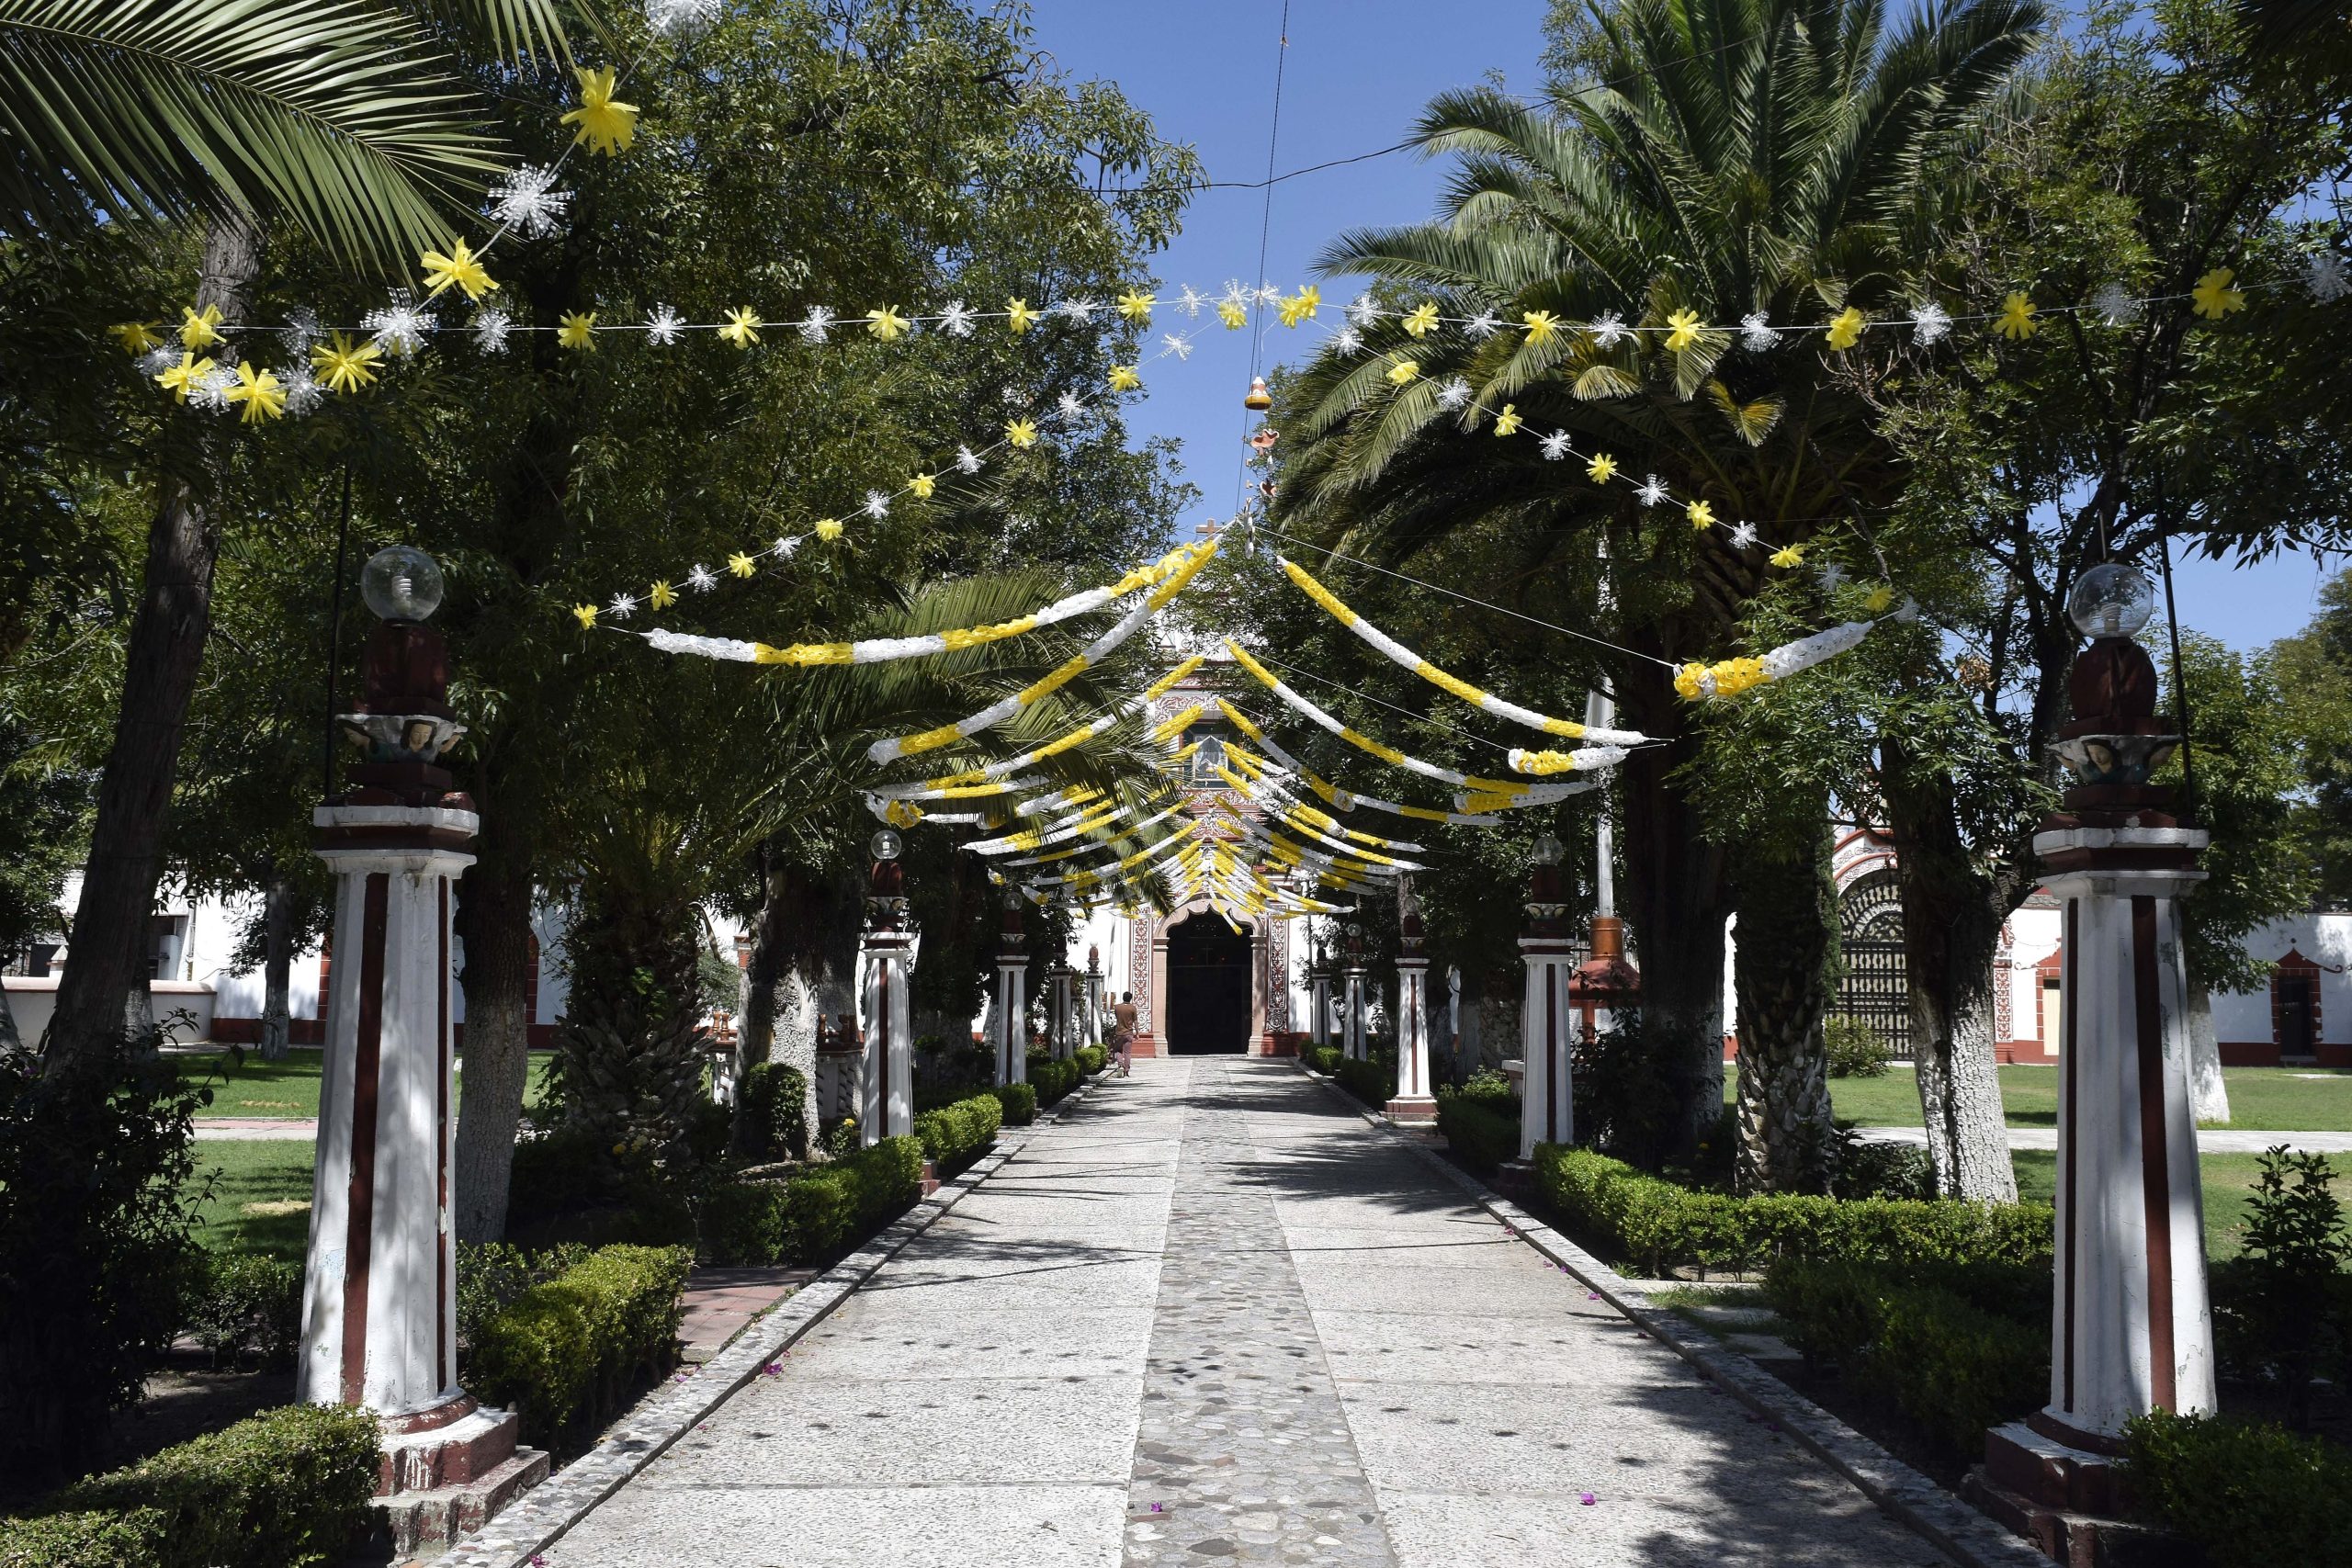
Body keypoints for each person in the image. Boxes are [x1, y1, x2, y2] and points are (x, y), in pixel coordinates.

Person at [1110, 991, 1138, 1077]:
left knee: (1118, 1050)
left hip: (1119, 1032)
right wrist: (1137, 1032)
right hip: (1129, 1033)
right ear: (1131, 998)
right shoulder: (1133, 1008)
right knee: (1127, 1052)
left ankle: (1120, 1064)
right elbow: (1135, 1021)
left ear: (1123, 997)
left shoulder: (1117, 1007)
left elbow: (1117, 1017)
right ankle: (1126, 1070)